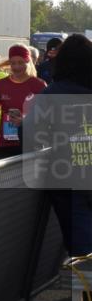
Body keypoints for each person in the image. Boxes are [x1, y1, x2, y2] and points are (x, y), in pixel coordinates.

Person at [23, 34, 92, 267]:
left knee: (82, 251)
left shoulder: (52, 93)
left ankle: (85, 300)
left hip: (67, 177)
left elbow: (31, 134)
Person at [0, 44, 46, 161]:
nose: (16, 67)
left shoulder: (39, 85)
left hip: (30, 143)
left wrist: (25, 121)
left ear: (28, 62)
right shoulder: (0, 85)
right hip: (4, 145)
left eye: (21, 62)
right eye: (13, 63)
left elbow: (46, 115)